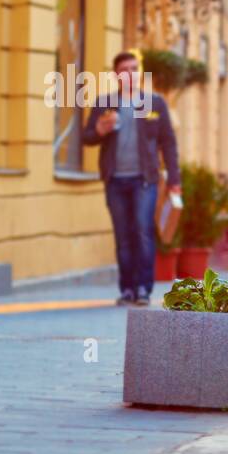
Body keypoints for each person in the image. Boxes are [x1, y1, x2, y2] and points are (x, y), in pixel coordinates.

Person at [81, 50, 180, 306]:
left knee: (143, 231)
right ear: (116, 75)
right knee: (123, 235)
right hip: (115, 180)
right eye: (124, 70)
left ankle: (144, 289)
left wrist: (174, 180)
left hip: (144, 180)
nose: (130, 74)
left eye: (134, 69)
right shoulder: (106, 104)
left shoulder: (151, 103)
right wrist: (100, 130)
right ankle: (127, 289)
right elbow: (87, 137)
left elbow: (167, 142)